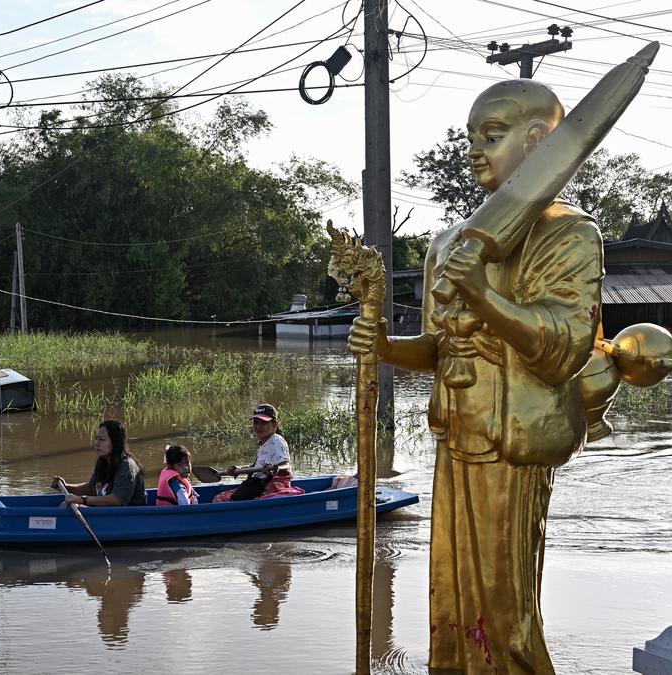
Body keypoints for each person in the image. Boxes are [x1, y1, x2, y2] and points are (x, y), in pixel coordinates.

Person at [349, 79, 604, 673]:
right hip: (456, 430)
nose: (475, 150)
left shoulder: (569, 234)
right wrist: (385, 346)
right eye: (470, 138)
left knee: (503, 600)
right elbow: (440, 347)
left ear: (539, 139)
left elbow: (564, 349)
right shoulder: (450, 241)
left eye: (492, 135)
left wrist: (485, 294)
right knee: (451, 597)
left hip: (511, 437)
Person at [212, 403, 304, 502]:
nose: (258, 426)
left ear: (274, 424)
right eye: (256, 422)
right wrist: (239, 469)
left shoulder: (277, 440)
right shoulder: (264, 443)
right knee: (221, 497)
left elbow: (286, 467)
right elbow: (257, 467)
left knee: (219, 499)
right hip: (260, 485)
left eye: (263, 423)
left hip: (272, 487)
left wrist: (274, 469)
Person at [54, 419, 146, 507]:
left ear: (115, 442)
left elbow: (117, 500)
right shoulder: (104, 462)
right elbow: (92, 489)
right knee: (65, 506)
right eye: (96, 438)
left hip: (127, 518)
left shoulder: (127, 466)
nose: (96, 443)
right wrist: (67, 487)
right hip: (108, 514)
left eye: (102, 440)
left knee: (65, 506)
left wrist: (82, 499)